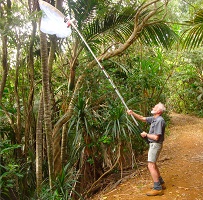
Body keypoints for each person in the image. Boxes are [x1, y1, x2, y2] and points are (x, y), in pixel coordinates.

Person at [127, 102, 166, 196]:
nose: (153, 107)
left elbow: (156, 137)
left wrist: (146, 135)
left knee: (151, 165)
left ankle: (157, 188)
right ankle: (161, 183)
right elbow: (142, 118)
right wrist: (132, 113)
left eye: (155, 107)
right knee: (153, 164)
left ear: (159, 111)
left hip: (155, 145)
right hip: (153, 145)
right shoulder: (154, 118)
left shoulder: (160, 120)